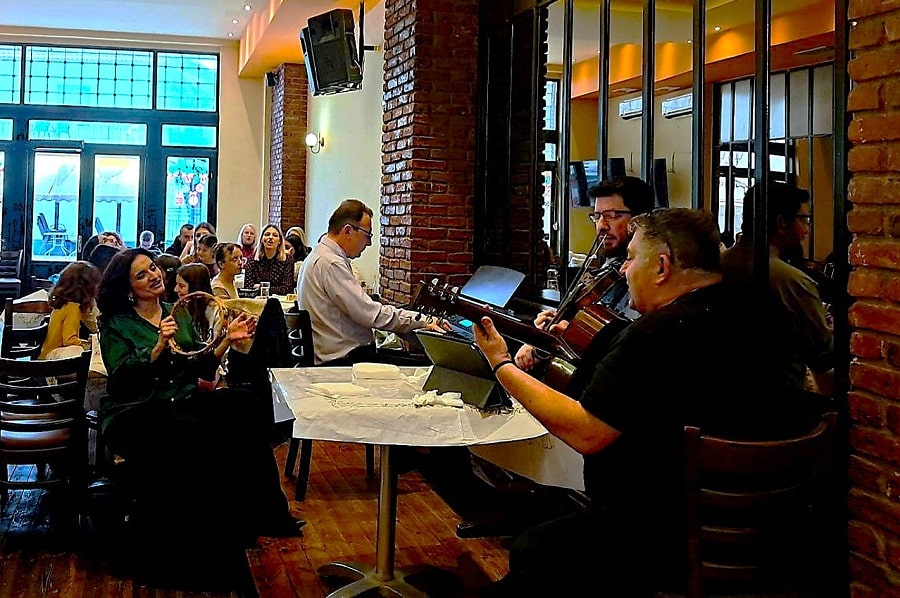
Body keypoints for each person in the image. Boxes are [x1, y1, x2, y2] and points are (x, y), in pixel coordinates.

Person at [473, 209, 808, 596]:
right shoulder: (765, 314)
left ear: (662, 266)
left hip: (664, 533)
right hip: (770, 529)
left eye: (632, 257)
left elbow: (586, 433)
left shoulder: (655, 334)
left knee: (532, 550)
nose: (623, 269)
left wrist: (501, 363)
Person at [97, 249, 302, 572]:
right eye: (141, 275)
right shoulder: (117, 324)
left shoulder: (175, 312)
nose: (153, 275)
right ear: (128, 287)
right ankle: (204, 547)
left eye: (153, 268)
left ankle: (265, 513)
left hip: (179, 401)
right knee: (192, 430)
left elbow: (200, 367)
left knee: (244, 404)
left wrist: (226, 341)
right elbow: (122, 380)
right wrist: (157, 349)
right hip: (135, 410)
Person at [515, 176, 655, 375]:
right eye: (597, 216)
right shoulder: (608, 268)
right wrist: (546, 335)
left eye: (612, 215)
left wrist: (572, 336)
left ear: (640, 219)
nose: (601, 225)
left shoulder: (651, 279)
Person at [297, 199, 445, 365]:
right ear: (348, 231)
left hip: (337, 355)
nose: (369, 243)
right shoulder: (331, 263)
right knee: (427, 367)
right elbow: (370, 314)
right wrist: (425, 320)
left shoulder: (317, 255)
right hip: (345, 360)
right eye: (367, 235)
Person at [721, 180, 834, 394]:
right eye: (804, 220)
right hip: (779, 399)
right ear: (781, 223)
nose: (807, 230)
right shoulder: (790, 280)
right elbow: (823, 354)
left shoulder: (717, 264)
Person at [39, 261, 101, 360]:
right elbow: (69, 340)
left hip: (49, 353)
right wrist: (88, 344)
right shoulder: (73, 308)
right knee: (79, 351)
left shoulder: (65, 304)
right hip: (53, 357)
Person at [243, 224, 295, 295]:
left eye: (275, 235)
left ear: (280, 241)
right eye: (267, 234)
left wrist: (261, 287)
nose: (270, 237)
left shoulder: (288, 259)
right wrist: (274, 288)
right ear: (262, 239)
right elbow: (248, 286)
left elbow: (286, 288)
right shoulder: (252, 260)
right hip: (257, 300)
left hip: (280, 300)